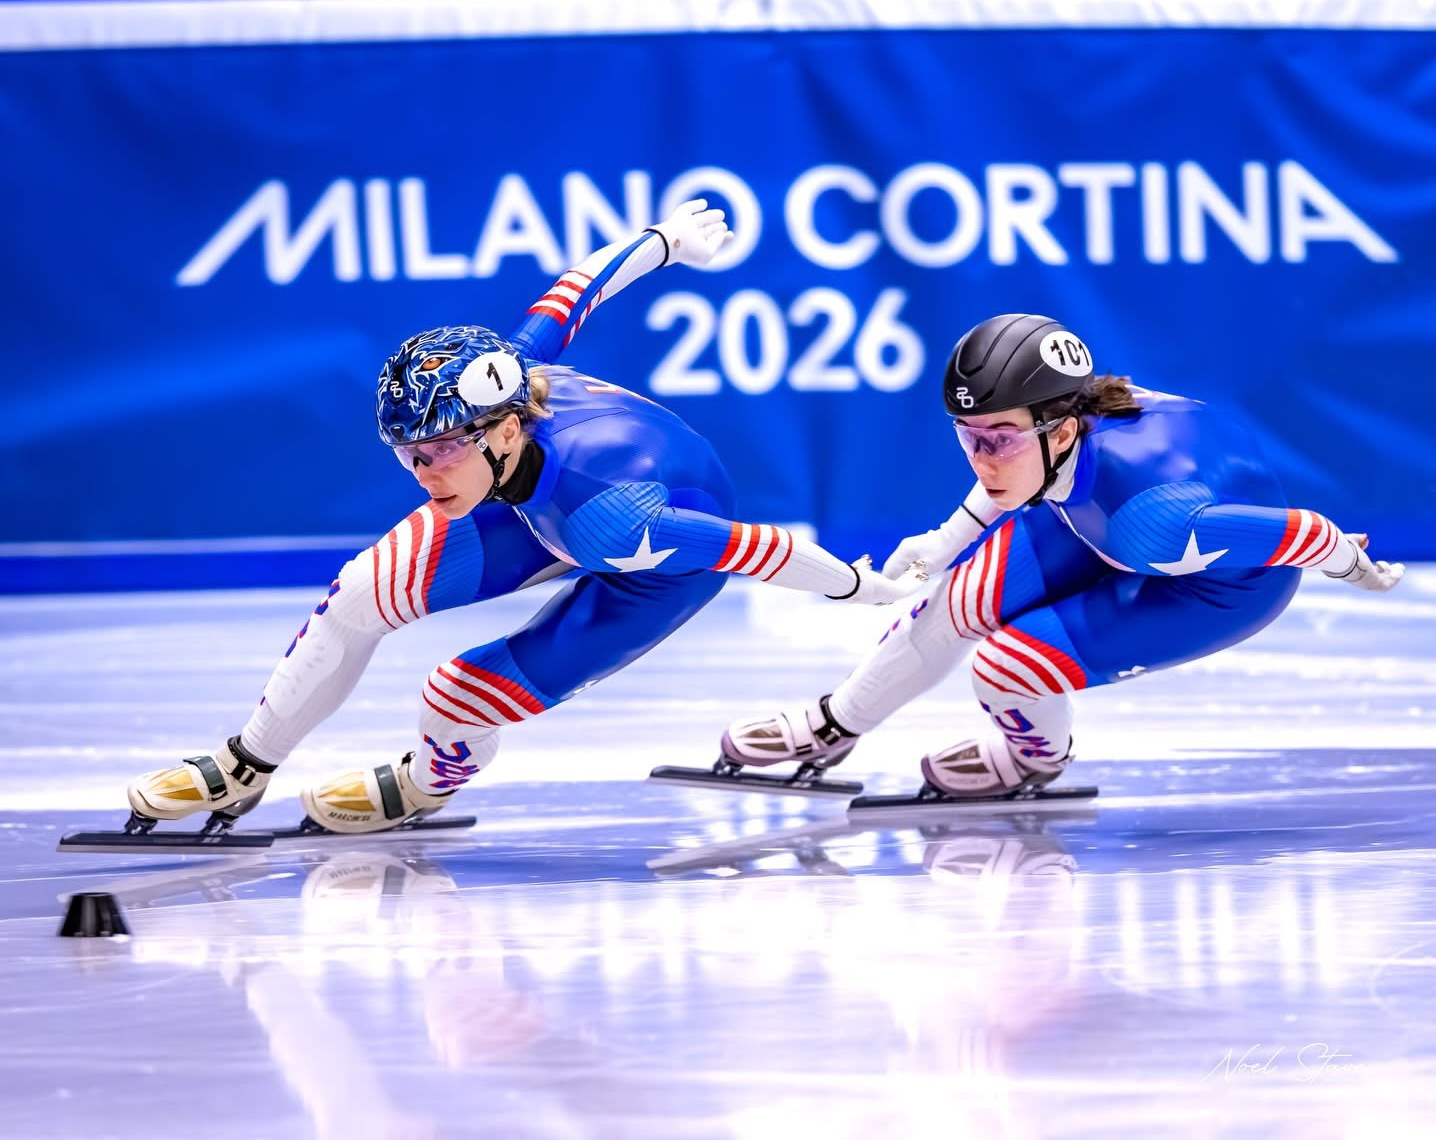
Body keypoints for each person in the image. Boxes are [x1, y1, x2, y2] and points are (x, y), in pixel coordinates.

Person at [126, 201, 926, 834]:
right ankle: (245, 763)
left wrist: (860, 586)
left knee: (456, 695)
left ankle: (421, 786)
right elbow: (577, 288)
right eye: (406, 453)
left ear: (505, 428)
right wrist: (664, 241)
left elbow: (751, 549)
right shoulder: (508, 379)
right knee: (358, 597)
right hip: (529, 502)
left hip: (646, 560)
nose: (421, 472)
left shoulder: (611, 518)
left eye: (439, 451)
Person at [722, 313, 1406, 798]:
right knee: (956, 601)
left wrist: (1358, 568)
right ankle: (834, 725)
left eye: (999, 439)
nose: (983, 457)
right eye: (969, 436)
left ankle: (1032, 761)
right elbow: (1007, 478)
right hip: (1097, 523)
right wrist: (942, 543)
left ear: (1065, 429)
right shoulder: (1052, 437)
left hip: (1212, 586)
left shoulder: (1153, 520)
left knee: (1007, 666)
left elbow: (1305, 533)